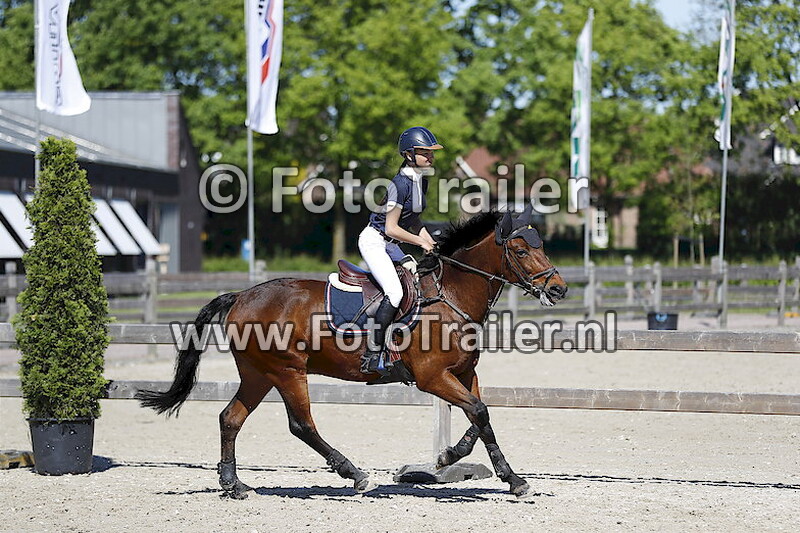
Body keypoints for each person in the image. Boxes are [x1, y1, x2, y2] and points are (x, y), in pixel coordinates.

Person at [357, 126, 442, 375]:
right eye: (425, 152)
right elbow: (392, 228)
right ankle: (372, 354)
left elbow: (414, 221)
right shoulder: (398, 185)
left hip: (390, 244)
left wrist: (430, 242)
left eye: (431, 152)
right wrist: (420, 243)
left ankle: (401, 346)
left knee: (415, 282)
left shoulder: (420, 181)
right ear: (408, 155)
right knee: (394, 292)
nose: (430, 157)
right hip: (375, 241)